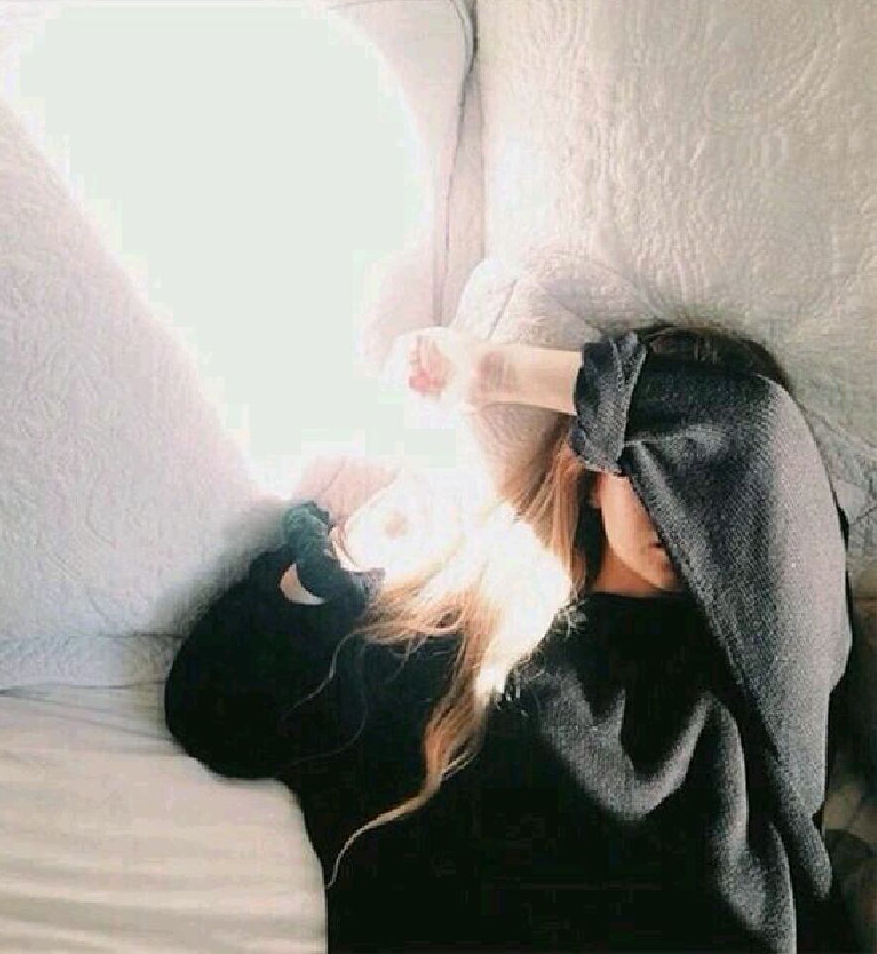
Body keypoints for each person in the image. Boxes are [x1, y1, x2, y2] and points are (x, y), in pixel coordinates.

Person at [164, 321, 860, 953]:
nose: (684, 508)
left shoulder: (765, 675)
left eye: (715, 486)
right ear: (588, 468)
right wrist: (343, 556)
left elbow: (757, 429)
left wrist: (493, 371)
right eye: (652, 465)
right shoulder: (465, 643)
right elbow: (215, 715)